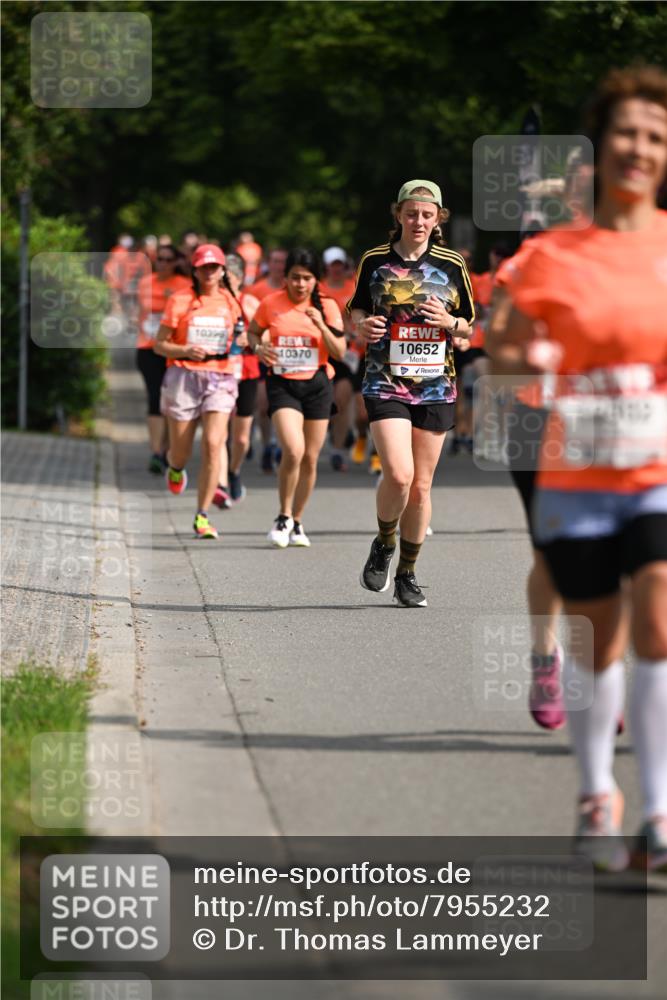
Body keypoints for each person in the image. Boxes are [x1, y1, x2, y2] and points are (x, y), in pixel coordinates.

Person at [498, 65, 667, 871]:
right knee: (598, 637)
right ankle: (597, 794)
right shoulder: (547, 256)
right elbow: (499, 344)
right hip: (574, 469)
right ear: (599, 148)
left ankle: (659, 811)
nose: (639, 147)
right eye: (626, 132)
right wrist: (525, 356)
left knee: (658, 609)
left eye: (654, 136)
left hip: (656, 466)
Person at [350, 179, 474, 607]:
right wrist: (362, 325)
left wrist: (450, 322)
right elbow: (357, 308)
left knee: (421, 487)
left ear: (438, 219)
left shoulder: (453, 264)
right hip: (385, 379)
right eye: (411, 213)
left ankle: (407, 573)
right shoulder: (375, 260)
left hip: (436, 384)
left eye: (426, 215)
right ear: (398, 214)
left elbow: (469, 325)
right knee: (399, 475)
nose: (418, 221)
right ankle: (385, 542)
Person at [247, 248, 345, 547]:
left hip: (317, 384)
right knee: (293, 450)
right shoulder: (271, 303)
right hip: (282, 383)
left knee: (311, 458)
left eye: (307, 278)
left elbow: (339, 351)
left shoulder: (327, 306)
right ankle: (283, 515)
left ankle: (298, 521)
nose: (300, 284)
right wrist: (258, 348)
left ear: (316, 280)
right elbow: (253, 332)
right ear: (285, 277)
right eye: (295, 277)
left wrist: (320, 325)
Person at [154, 244, 242, 540]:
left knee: (214, 443)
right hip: (184, 375)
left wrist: (244, 340)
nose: (209, 272)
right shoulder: (180, 300)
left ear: (222, 270)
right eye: (204, 267)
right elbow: (160, 345)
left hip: (221, 376)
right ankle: (175, 468)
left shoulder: (231, 301)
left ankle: (202, 515)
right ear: (194, 270)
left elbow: (240, 337)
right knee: (181, 451)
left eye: (214, 267)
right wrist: (185, 350)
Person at [136, 245, 190, 473]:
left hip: (173, 349)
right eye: (160, 259)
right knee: (154, 396)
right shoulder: (145, 283)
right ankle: (156, 451)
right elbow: (142, 309)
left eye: (169, 259)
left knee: (171, 400)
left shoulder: (184, 285)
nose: (164, 263)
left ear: (176, 262)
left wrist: (171, 301)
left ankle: (168, 447)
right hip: (148, 347)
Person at [212, 253, 261, 507]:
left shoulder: (250, 302)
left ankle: (233, 470)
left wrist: (249, 338)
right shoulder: (213, 303)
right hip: (220, 370)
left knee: (241, 438)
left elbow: (267, 334)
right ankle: (220, 484)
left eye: (228, 279)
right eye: (221, 280)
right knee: (220, 431)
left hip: (247, 371)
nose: (224, 285)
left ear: (240, 279)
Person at [249, 248, 288, 472]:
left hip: (290, 355)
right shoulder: (257, 290)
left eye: (282, 262)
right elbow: (251, 323)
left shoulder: (294, 289)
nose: (278, 266)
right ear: (268, 264)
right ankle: (267, 444)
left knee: (285, 405)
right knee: (263, 405)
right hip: (265, 353)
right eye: (275, 261)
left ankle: (282, 445)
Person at [320, 246, 359, 471]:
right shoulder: (318, 289)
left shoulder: (354, 287)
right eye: (332, 265)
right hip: (322, 351)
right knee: (325, 400)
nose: (336, 269)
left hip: (346, 352)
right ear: (326, 267)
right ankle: (329, 428)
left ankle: (337, 450)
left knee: (342, 399)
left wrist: (357, 332)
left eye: (340, 265)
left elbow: (361, 315)